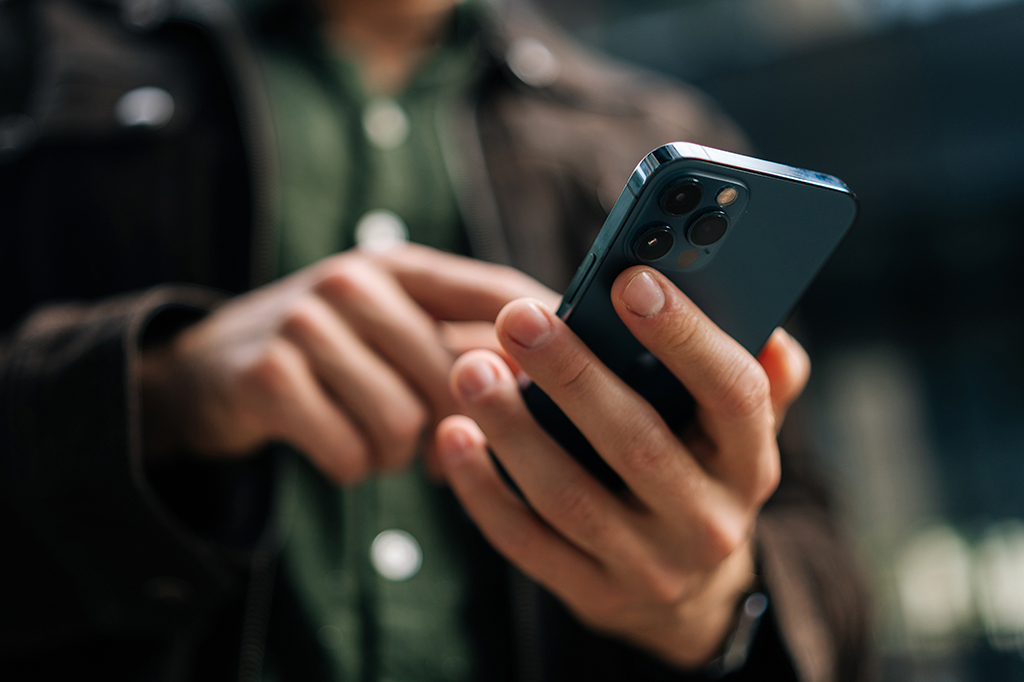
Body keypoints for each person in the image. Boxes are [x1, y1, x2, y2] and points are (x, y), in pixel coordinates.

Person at [0, 0, 869, 679]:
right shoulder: (36, 61)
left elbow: (828, 572)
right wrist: (165, 392)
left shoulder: (647, 124)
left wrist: (715, 605)